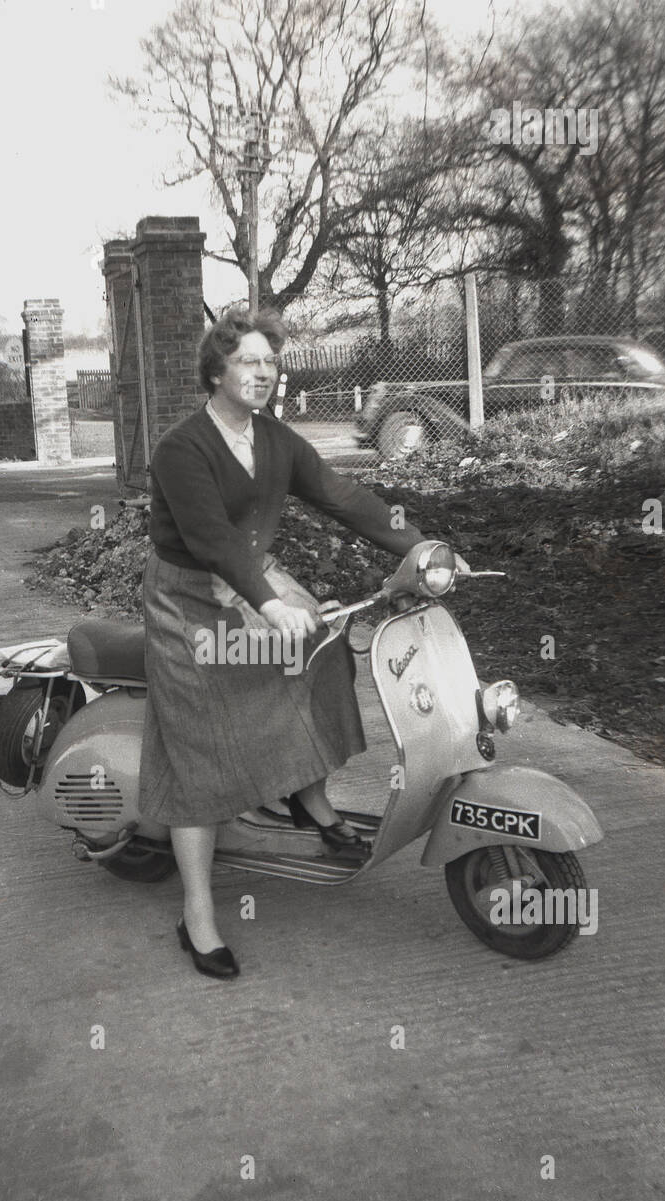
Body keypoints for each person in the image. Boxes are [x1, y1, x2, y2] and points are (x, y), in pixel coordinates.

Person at [139, 306, 467, 980]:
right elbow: (211, 539)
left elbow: (342, 495)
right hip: (188, 599)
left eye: (269, 362)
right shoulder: (182, 447)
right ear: (215, 370)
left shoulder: (274, 439)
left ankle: (307, 796)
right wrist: (267, 602)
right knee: (198, 749)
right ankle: (197, 913)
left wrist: (421, 548)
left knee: (321, 654)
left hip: (251, 579)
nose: (262, 373)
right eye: (247, 362)